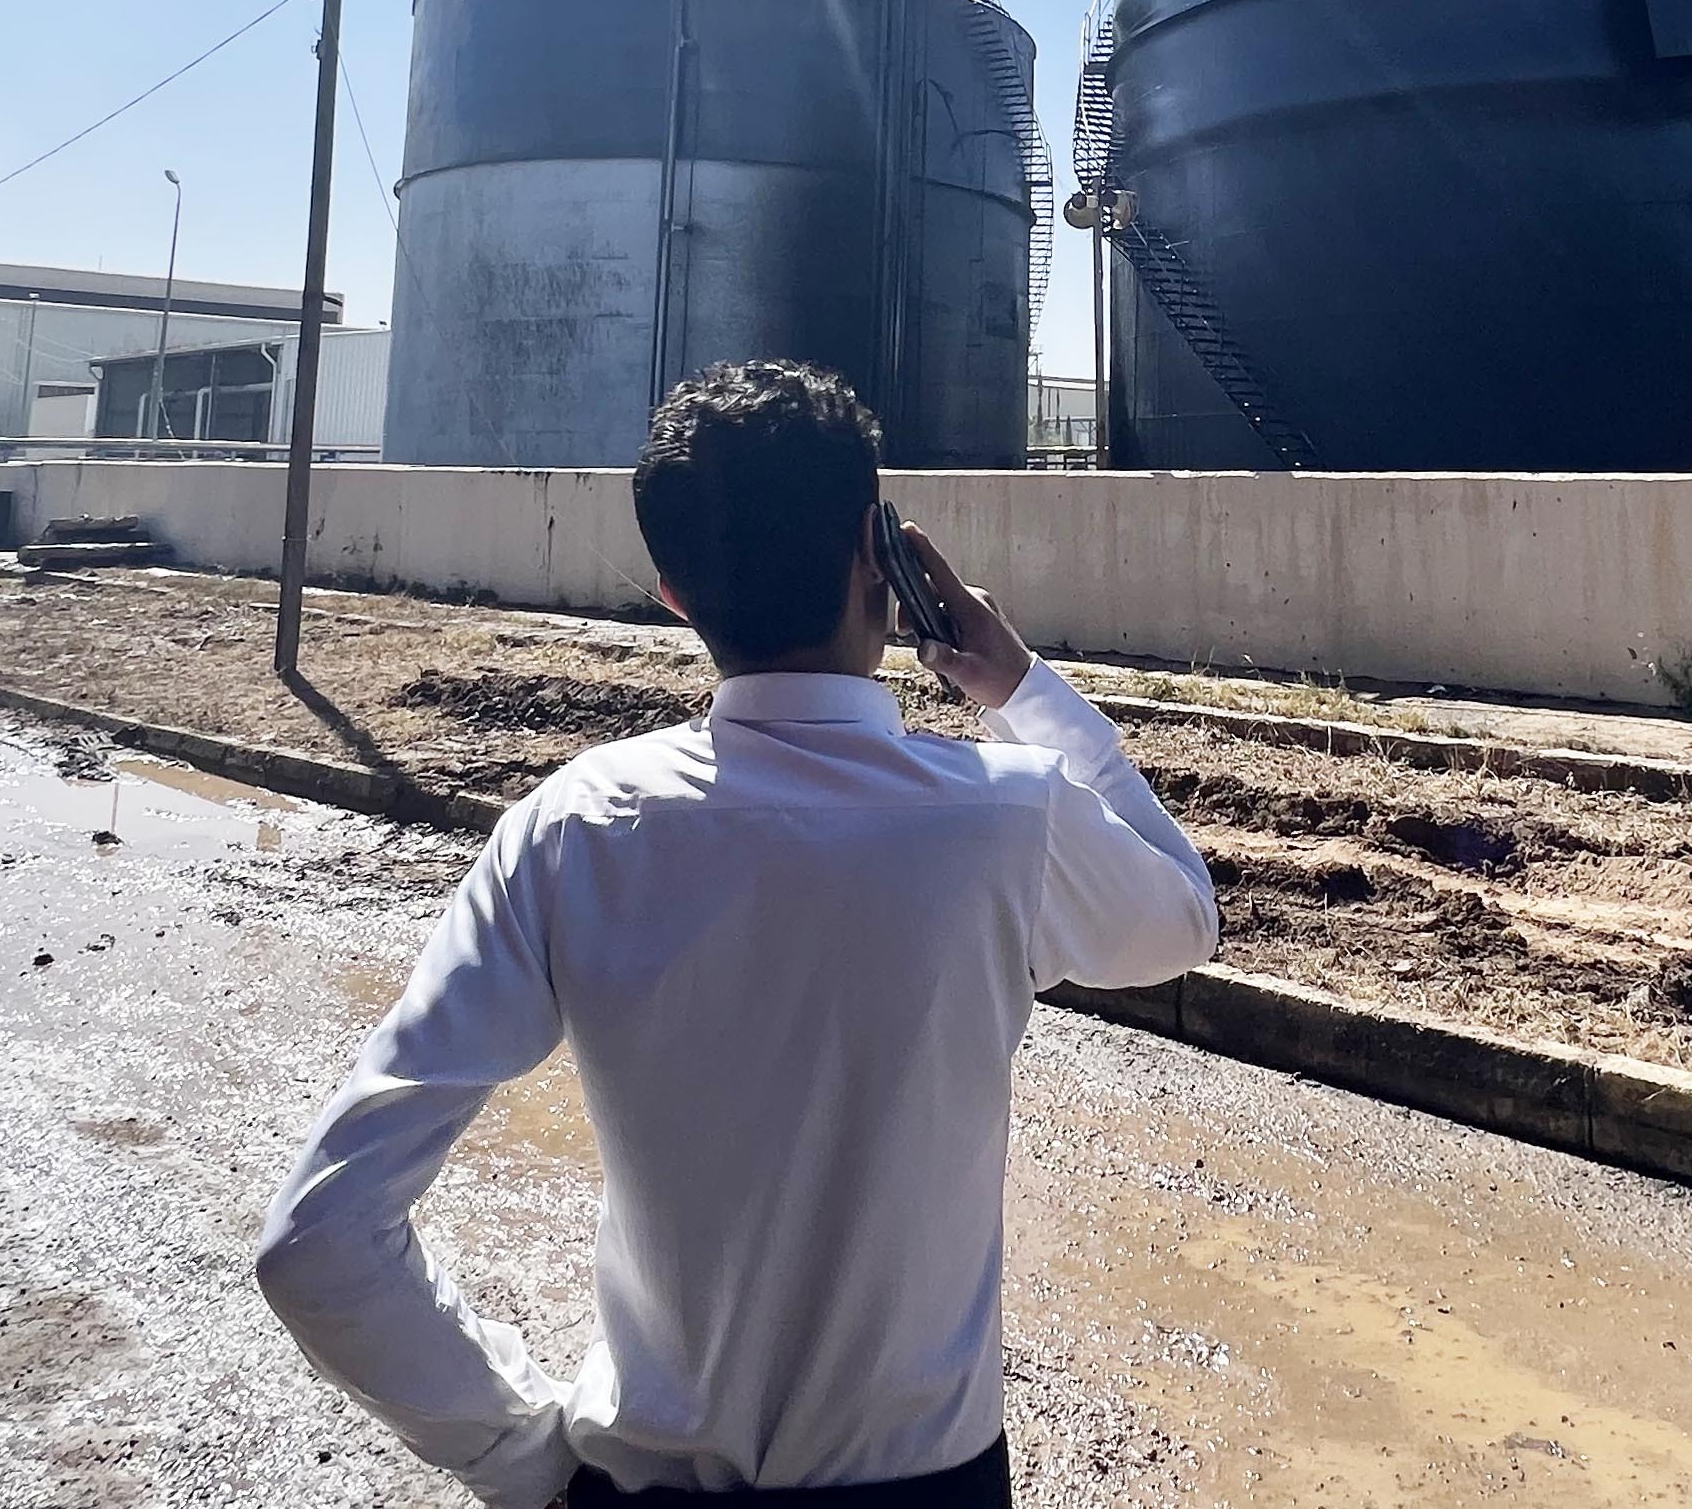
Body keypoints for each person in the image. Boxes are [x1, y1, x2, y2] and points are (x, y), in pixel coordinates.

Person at [255, 361, 1219, 1505]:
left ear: (675, 595)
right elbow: (1183, 920)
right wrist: (1019, 687)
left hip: (642, 1481)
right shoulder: (1008, 814)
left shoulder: (570, 827)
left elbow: (317, 1244)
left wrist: (524, 1458)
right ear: (881, 556)